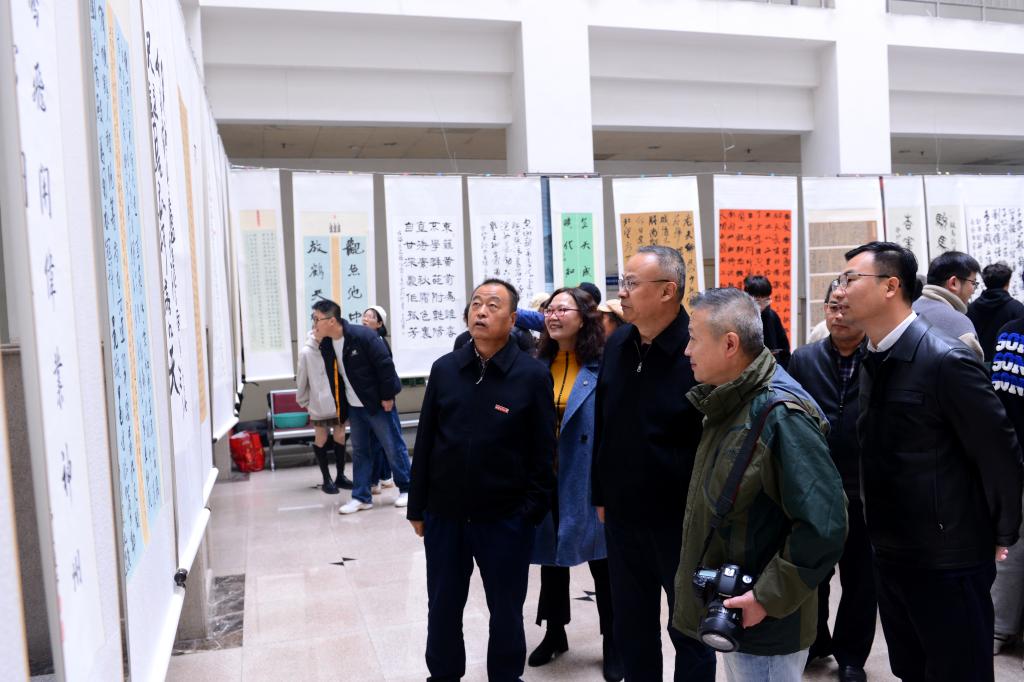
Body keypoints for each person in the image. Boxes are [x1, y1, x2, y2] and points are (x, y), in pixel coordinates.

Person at [832, 241, 1023, 682]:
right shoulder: (873, 355)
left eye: (850, 279)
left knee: (958, 670)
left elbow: (998, 452)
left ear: (890, 287)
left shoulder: (946, 360)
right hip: (891, 549)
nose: (839, 291)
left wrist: (1003, 530)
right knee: (910, 668)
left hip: (947, 557)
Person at [673, 287, 847, 682]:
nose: (687, 350)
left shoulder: (780, 415)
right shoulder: (732, 401)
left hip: (765, 623)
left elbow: (825, 525)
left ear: (729, 344)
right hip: (739, 613)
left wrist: (766, 597)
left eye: (694, 338)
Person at [407, 278, 556, 681]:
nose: (482, 311)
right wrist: (418, 506)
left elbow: (543, 451)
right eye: (476, 303)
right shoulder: (445, 369)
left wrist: (530, 512)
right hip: (445, 515)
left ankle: (506, 676)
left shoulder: (531, 375)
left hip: (505, 519)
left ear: (513, 319)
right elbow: (426, 441)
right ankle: (442, 675)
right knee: (442, 606)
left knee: (505, 610)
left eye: (493, 305)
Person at [592, 245, 716, 681]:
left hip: (683, 521)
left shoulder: (699, 347)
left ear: (668, 291)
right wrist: (600, 493)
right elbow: (603, 423)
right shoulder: (619, 342)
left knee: (690, 631)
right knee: (632, 627)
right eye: (622, 283)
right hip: (623, 517)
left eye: (631, 283)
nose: (622, 293)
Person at [527, 287, 621, 681]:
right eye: (549, 309)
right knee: (551, 560)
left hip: (587, 477)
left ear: (584, 317)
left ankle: (613, 640)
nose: (553, 315)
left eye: (562, 309)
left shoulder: (604, 364)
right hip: (548, 477)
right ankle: (555, 632)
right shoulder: (537, 365)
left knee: (604, 563)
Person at [788, 282, 876, 682]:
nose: (838, 315)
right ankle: (815, 641)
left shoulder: (880, 358)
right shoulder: (804, 359)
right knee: (813, 574)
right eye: (832, 306)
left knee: (861, 579)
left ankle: (852, 656)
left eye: (847, 307)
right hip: (815, 489)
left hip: (864, 490)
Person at [310, 299, 413, 515]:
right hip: (354, 406)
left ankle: (408, 489)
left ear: (331, 320)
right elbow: (336, 378)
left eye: (317, 319)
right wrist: (342, 408)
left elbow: (385, 365)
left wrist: (387, 396)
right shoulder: (327, 344)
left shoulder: (362, 336)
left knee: (392, 446)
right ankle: (361, 496)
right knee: (360, 451)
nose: (314, 323)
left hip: (378, 402)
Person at [991, 319, 1024, 657]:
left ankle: (1000, 626)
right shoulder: (1012, 332)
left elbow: (1002, 402)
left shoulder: (1011, 332)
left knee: (1012, 545)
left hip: (1013, 454)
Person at [296, 310, 352, 493]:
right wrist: (305, 401)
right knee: (321, 437)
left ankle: (340, 476)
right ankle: (326, 479)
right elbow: (301, 380)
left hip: (337, 401)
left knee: (340, 435)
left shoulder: (334, 345)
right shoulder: (306, 352)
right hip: (318, 404)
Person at [913, 250, 985, 361]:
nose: (973, 290)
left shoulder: (908, 311)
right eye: (973, 283)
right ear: (953, 283)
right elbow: (973, 371)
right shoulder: (959, 323)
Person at [362, 305, 395, 494]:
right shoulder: (367, 340)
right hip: (374, 398)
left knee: (377, 441)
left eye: (370, 317)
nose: (365, 319)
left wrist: (386, 397)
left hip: (380, 399)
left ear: (379, 323)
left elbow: (386, 374)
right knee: (378, 440)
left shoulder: (378, 342)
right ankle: (384, 476)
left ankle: (375, 481)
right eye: (364, 316)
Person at [968, 263, 1024, 362]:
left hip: (978, 363)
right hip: (1006, 365)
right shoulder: (1017, 308)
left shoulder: (971, 308)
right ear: (1007, 283)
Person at [743, 274, 791, 368]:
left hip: (772, 369)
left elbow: (784, 347)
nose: (762, 306)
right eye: (757, 301)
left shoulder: (772, 316)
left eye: (766, 301)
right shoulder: (739, 317)